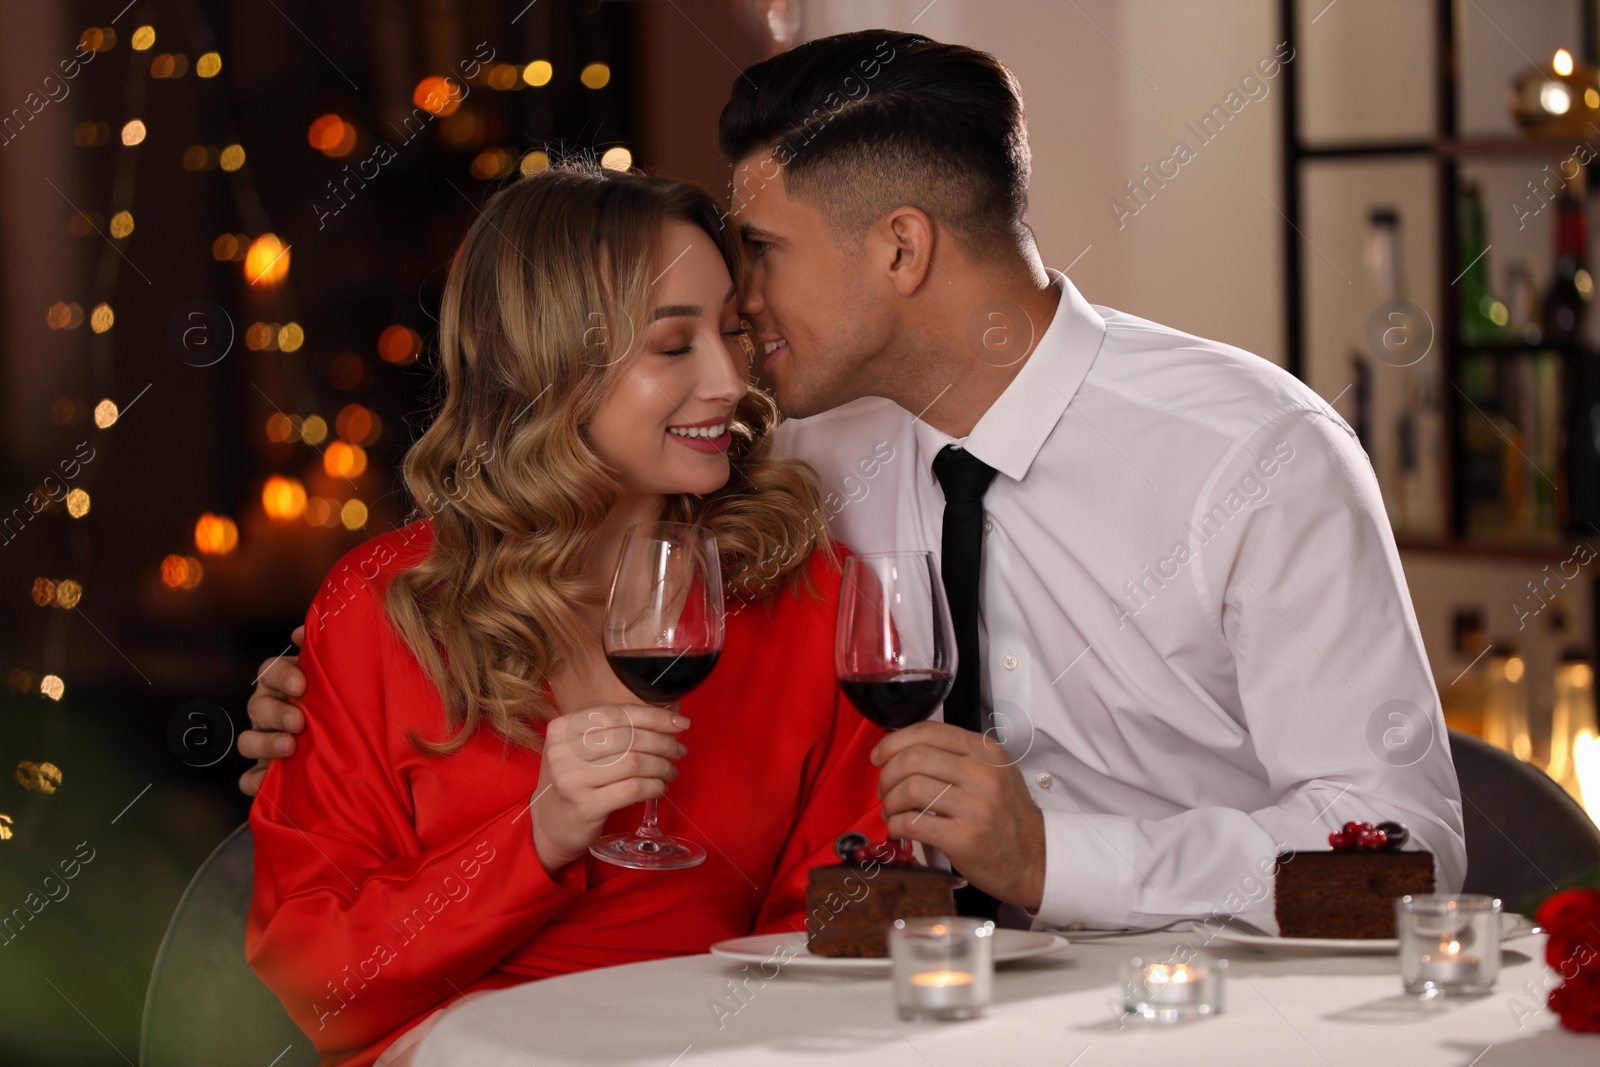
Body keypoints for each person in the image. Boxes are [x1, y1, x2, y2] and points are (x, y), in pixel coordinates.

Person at [243, 30, 1465, 936]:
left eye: (760, 259)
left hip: (1201, 1000)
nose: (743, 317)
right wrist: (332, 691)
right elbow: (555, 505)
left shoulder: (1252, 455)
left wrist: (1063, 860)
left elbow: (1408, 852)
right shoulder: (782, 455)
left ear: (899, 247)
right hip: (895, 998)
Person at [244, 165, 885, 1066]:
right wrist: (537, 835)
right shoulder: (387, 606)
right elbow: (313, 974)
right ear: (552, 369)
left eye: (733, 333)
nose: (730, 379)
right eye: (673, 346)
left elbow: (853, 895)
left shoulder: (799, 586)